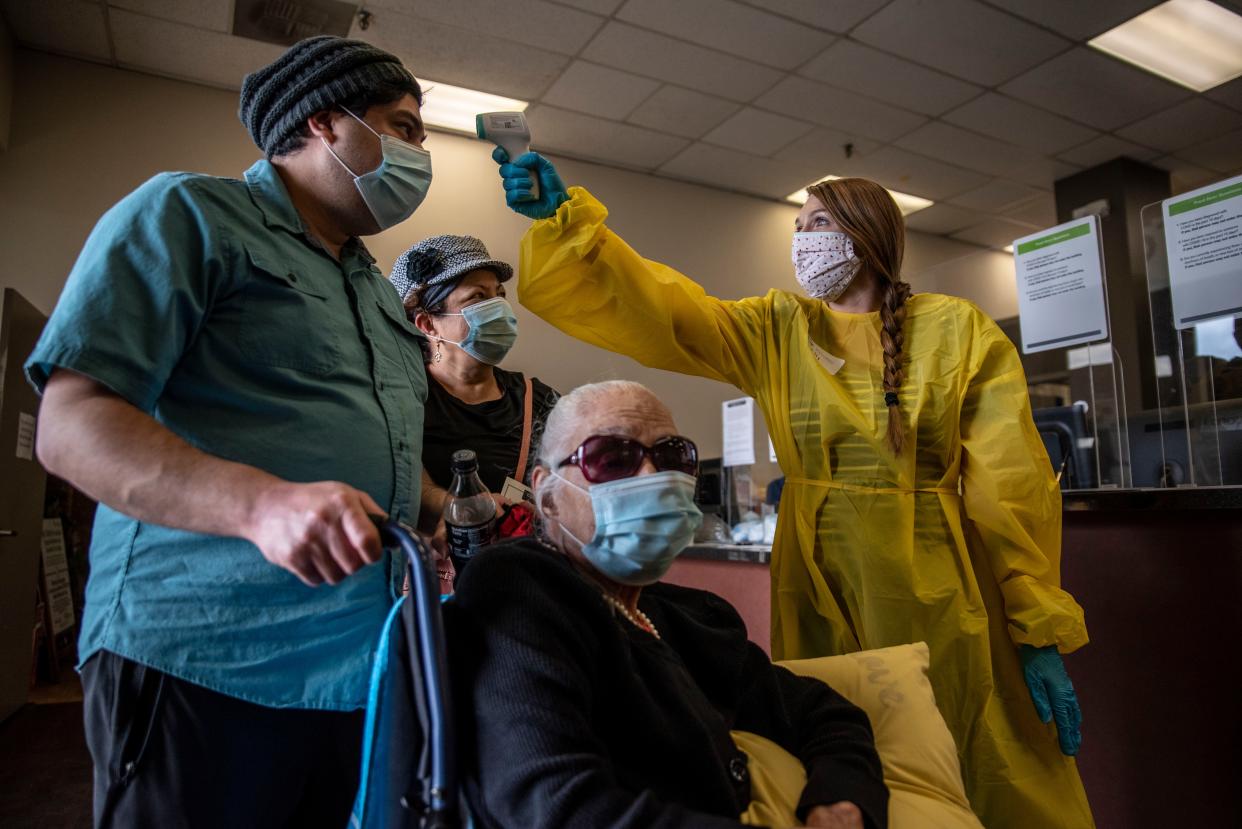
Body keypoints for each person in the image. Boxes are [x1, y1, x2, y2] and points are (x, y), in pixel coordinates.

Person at [490, 152, 1094, 828]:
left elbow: (1010, 486)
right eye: (798, 225)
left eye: (819, 222)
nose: (803, 239)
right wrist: (572, 227)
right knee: (844, 729)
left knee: (963, 744)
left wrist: (1035, 624)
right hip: (817, 572)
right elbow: (666, 310)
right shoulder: (778, 328)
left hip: (937, 581)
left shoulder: (957, 331)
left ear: (866, 234)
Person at [26, 36, 442, 827]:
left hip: (360, 669)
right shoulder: (190, 214)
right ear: (325, 122)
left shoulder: (377, 292)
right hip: (207, 654)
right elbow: (71, 425)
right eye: (404, 126)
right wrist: (262, 506)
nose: (420, 152)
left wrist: (453, 512)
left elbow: (374, 453)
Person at [446, 380, 889, 829]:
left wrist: (840, 802)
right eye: (613, 459)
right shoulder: (517, 587)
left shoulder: (685, 617)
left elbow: (823, 713)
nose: (652, 478)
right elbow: (555, 806)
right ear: (548, 495)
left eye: (672, 457)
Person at [389, 234, 559, 496]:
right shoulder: (404, 402)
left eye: (499, 295)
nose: (499, 307)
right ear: (426, 324)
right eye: (478, 297)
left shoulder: (538, 400)